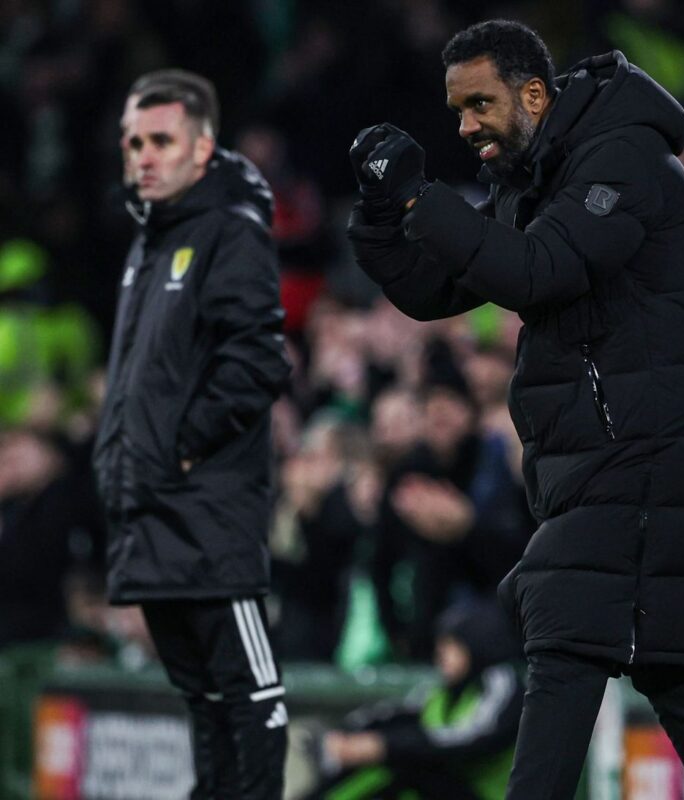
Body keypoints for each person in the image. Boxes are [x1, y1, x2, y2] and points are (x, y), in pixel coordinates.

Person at [348, 19, 684, 799]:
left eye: (480, 104)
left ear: (535, 95)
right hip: (609, 466)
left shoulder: (625, 160)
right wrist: (382, 213)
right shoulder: (541, 176)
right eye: (456, 110)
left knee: (563, 647)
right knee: (678, 679)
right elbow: (436, 287)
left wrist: (421, 195)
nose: (465, 125)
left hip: (640, 463)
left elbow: (536, 271)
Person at [92, 69, 292, 799]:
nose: (144, 157)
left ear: (202, 148)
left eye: (161, 141)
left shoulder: (228, 230)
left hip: (208, 512)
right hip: (154, 510)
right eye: (134, 143)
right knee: (202, 698)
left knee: (250, 693)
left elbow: (258, 360)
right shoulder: (150, 242)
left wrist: (182, 448)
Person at [307, 601, 523, 800]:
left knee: (401, 765)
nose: (440, 654)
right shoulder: (444, 691)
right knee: (384, 764)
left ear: (476, 644)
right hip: (447, 788)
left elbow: (471, 741)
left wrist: (385, 746)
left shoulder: (504, 684)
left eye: (451, 645)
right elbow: (394, 713)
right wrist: (351, 737)